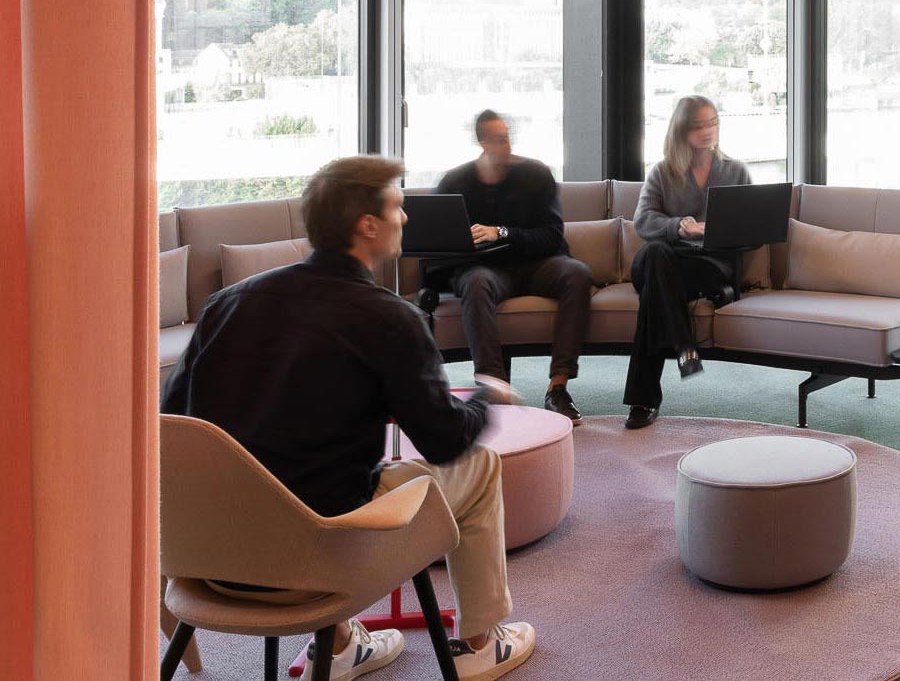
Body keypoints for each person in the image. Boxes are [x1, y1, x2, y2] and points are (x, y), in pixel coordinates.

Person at [161, 155, 537, 680]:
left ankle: (339, 644)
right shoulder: (389, 317)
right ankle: (480, 642)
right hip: (316, 562)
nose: (405, 219)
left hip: (207, 555)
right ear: (367, 225)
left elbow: (172, 421)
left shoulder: (227, 303)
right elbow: (445, 442)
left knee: (297, 477)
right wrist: (483, 397)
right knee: (480, 466)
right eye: (398, 208)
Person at [430, 110, 592, 426]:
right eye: (499, 138)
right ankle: (493, 389)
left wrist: (501, 232)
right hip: (486, 270)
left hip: (538, 263)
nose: (506, 144)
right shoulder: (455, 182)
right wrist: (470, 241)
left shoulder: (536, 174)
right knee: (474, 282)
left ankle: (558, 388)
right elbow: (440, 243)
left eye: (507, 137)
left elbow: (552, 235)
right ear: (482, 141)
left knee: (578, 273)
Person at [622, 95, 751, 430]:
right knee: (654, 254)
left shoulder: (735, 171)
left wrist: (716, 231)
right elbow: (643, 221)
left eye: (713, 123)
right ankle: (683, 346)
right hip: (665, 260)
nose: (708, 131)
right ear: (681, 130)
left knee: (655, 292)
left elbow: (754, 229)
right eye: (698, 125)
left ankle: (645, 397)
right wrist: (678, 225)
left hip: (706, 267)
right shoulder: (663, 172)